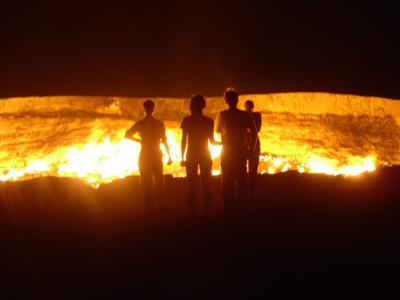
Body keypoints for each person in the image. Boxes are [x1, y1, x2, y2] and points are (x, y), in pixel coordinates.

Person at [125, 100, 172, 214]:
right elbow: (164, 141)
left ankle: (148, 207)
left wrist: (138, 140)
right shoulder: (159, 124)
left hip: (145, 153)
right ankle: (161, 206)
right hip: (156, 153)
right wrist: (169, 156)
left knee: (146, 181)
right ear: (153, 109)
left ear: (144, 109)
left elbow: (127, 134)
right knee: (159, 181)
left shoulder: (140, 124)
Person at [216, 88, 257, 216]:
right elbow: (255, 132)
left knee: (227, 181)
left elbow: (217, 131)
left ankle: (228, 210)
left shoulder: (222, 115)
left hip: (227, 151)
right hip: (240, 151)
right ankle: (241, 210)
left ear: (226, 100)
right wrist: (251, 149)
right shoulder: (245, 115)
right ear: (237, 100)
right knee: (241, 181)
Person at [180, 95, 220, 217]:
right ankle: (206, 210)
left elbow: (183, 140)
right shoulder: (208, 121)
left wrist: (182, 157)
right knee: (206, 183)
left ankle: (192, 211)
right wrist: (226, 143)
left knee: (191, 184)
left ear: (191, 106)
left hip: (191, 154)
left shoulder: (186, 120)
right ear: (203, 105)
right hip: (204, 154)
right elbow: (212, 141)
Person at [244, 100, 262, 200]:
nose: (249, 107)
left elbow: (257, 129)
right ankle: (247, 191)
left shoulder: (256, 115)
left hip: (251, 143)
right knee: (244, 169)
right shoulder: (243, 116)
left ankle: (250, 191)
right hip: (246, 143)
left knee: (252, 169)